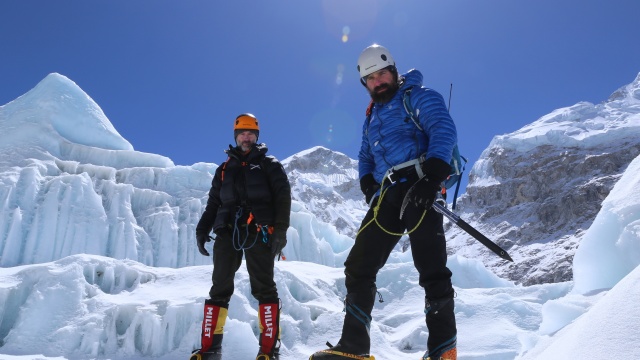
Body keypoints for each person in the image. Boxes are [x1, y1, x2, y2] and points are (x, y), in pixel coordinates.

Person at [310, 45, 458, 360]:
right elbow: (366, 153)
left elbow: (443, 129)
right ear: (364, 84)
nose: (377, 82)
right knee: (359, 266)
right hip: (386, 195)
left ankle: (443, 351)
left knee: (431, 268)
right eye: (370, 79)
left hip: (420, 185)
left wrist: (433, 178)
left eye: (381, 74)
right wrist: (366, 181)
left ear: (393, 70)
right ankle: (354, 348)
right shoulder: (372, 117)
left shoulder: (418, 96)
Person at [190, 113, 292, 360]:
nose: (246, 137)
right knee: (219, 288)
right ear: (236, 137)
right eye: (242, 133)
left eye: (250, 133)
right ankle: (210, 348)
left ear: (256, 137)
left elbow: (282, 197)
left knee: (264, 288)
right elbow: (214, 202)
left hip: (259, 230)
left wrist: (280, 230)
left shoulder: (269, 164)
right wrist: (202, 229)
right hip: (227, 231)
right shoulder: (224, 169)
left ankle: (269, 350)